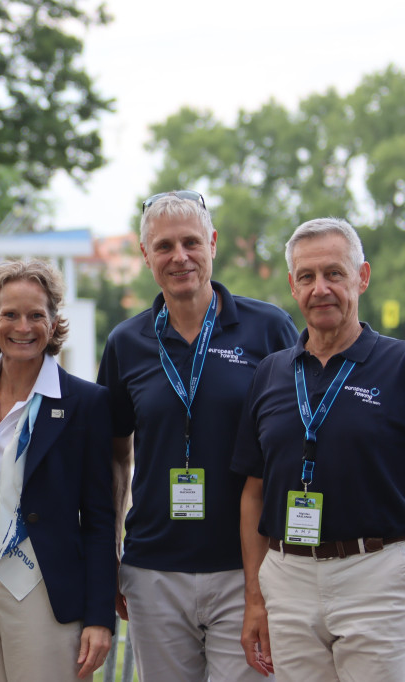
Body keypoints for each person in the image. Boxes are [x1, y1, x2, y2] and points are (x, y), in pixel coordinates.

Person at [97, 191, 297, 681]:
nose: (179, 257)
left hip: (246, 569)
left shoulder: (268, 328)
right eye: (164, 246)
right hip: (154, 569)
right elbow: (115, 453)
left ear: (212, 243)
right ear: (146, 256)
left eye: (191, 242)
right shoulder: (126, 342)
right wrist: (112, 549)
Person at [233, 217, 405, 680]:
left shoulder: (398, 364)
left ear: (362, 277)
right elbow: (253, 491)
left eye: (334, 274)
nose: (320, 288)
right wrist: (255, 598)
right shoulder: (270, 372)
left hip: (378, 577)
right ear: (292, 285)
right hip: (288, 579)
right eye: (307, 277)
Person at [0, 259, 115, 681]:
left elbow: (99, 519)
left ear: (54, 323)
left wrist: (99, 616)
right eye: (10, 314)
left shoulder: (85, 403)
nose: (23, 326)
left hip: (42, 584)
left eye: (37, 315)